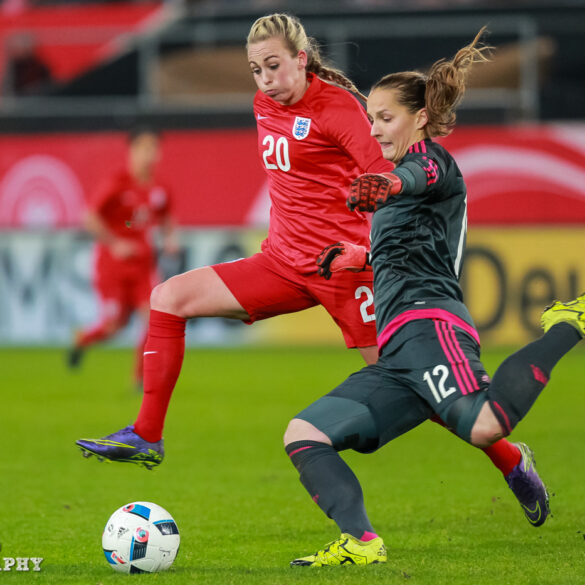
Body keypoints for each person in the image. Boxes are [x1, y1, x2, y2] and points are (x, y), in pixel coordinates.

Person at [76, 15, 544, 521]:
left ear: (301, 60)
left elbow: (387, 171)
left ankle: (511, 459)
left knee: (413, 381)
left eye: (274, 66)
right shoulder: (263, 104)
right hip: (281, 264)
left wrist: (371, 242)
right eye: (256, 70)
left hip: (344, 273)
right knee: (169, 297)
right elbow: (296, 183)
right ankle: (147, 434)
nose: (265, 80)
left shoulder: (340, 110)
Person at [282, 29, 584, 567]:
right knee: (304, 434)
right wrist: (359, 256)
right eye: (371, 118)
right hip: (396, 351)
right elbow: (405, 245)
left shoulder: (433, 164)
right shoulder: (395, 184)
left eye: (385, 117)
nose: (374, 130)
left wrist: (390, 187)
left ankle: (566, 322)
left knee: (485, 424)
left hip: (432, 325)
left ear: (419, 118)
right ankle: (362, 542)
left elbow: (416, 179)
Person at [67, 128, 179, 388]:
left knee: (153, 317)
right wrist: (115, 243)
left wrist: (171, 240)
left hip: (143, 266)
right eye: (144, 148)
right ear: (132, 151)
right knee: (113, 326)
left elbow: (167, 218)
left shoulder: (160, 188)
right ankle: (83, 339)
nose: (149, 155)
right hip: (113, 266)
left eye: (154, 148)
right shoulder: (117, 182)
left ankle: (140, 378)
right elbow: (89, 217)